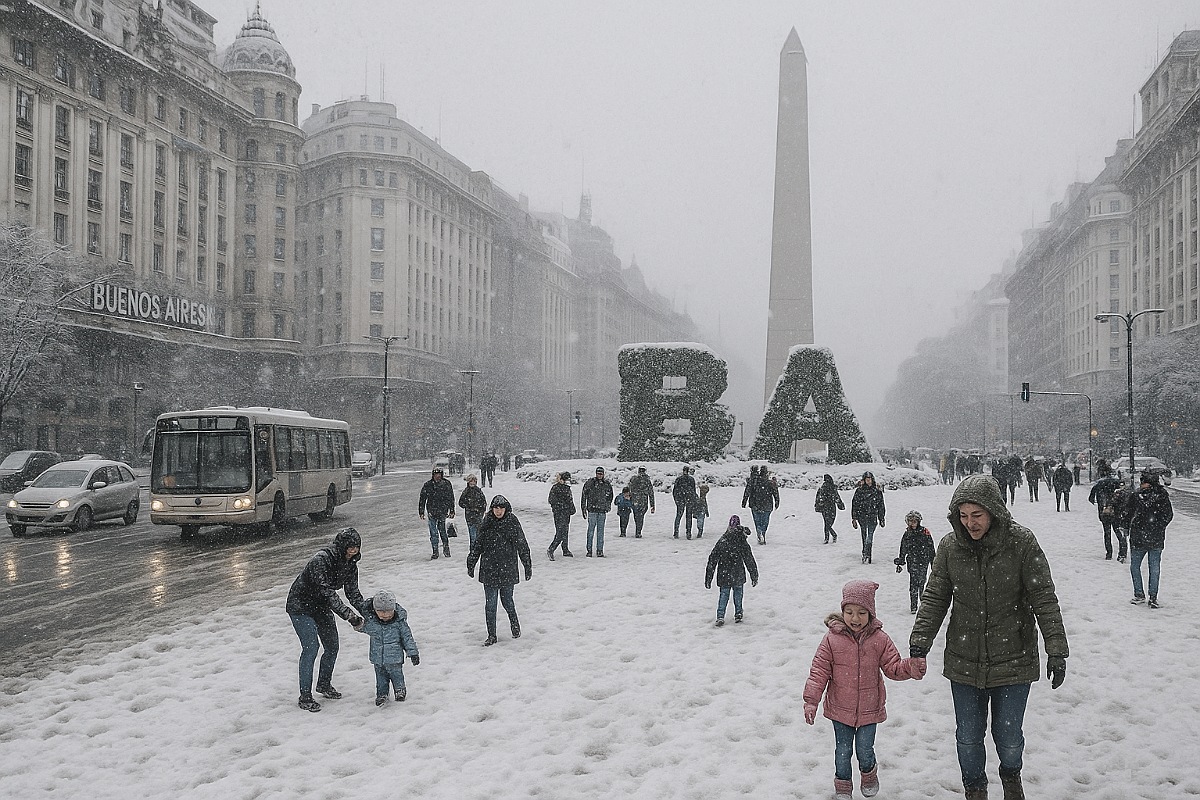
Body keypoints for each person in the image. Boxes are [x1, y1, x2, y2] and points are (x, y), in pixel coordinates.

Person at [909, 475, 1069, 800]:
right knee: (968, 736)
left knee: (1008, 738)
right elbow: (936, 596)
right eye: (963, 516)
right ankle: (975, 790)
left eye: (976, 515)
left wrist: (1056, 649)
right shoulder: (950, 547)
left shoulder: (1021, 543)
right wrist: (919, 643)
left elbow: (1044, 597)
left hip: (1014, 659)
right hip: (964, 661)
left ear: (993, 511)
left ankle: (1011, 779)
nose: (970, 523)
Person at [803, 579, 925, 800]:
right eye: (849, 612)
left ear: (870, 613)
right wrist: (811, 701)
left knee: (864, 749)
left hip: (869, 709)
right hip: (840, 708)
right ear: (842, 612)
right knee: (843, 751)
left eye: (861, 612)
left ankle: (869, 775)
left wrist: (911, 667)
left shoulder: (880, 640)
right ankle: (843, 785)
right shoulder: (832, 640)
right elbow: (818, 671)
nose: (855, 618)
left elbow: (893, 667)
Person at [285, 527, 366, 712]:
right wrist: (350, 616)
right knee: (311, 647)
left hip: (321, 606)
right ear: (342, 546)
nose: (354, 551)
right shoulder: (321, 560)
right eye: (350, 547)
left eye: (357, 547)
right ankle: (305, 696)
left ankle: (324, 685)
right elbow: (327, 593)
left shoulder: (351, 564)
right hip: (300, 606)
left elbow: (353, 594)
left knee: (332, 646)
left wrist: (368, 612)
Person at [467, 494, 533, 646]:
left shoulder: (512, 522)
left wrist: (527, 565)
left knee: (507, 601)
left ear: (505, 509)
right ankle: (492, 635)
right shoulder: (487, 522)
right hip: (489, 570)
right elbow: (478, 544)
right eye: (496, 508)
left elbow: (522, 544)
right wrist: (471, 562)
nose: (498, 511)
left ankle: (515, 625)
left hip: (507, 569)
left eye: (501, 508)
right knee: (490, 605)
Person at [353, 589, 419, 707]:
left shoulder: (399, 623)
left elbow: (407, 638)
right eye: (381, 612)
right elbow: (364, 628)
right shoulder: (373, 623)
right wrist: (357, 623)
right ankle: (382, 695)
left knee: (397, 676)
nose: (385, 615)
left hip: (394, 659)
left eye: (389, 611)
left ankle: (400, 690)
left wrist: (412, 652)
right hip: (378, 659)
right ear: (375, 611)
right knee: (381, 679)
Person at [1123, 470, 1174, 609]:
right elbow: (1168, 515)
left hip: (1138, 538)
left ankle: (1139, 594)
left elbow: (1127, 514)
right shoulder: (1162, 496)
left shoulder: (1136, 496)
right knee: (1154, 568)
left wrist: (1128, 527)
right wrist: (1159, 527)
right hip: (1156, 538)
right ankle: (1153, 597)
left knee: (1135, 567)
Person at [704, 515, 758, 626]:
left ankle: (720, 616)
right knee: (738, 594)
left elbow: (712, 559)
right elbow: (749, 559)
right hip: (738, 573)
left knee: (724, 595)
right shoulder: (742, 541)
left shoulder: (723, 540)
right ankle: (738, 613)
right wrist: (754, 575)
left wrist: (708, 578)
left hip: (724, 573)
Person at [894, 511, 936, 614]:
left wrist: (933, 562)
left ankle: (922, 600)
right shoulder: (907, 534)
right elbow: (903, 548)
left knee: (921, 581)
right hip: (912, 561)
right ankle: (913, 605)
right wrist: (901, 560)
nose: (912, 523)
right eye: (910, 521)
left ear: (918, 521)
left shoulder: (925, 532)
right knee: (913, 583)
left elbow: (931, 547)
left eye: (914, 521)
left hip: (923, 560)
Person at [418, 467, 456, 560]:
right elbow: (422, 498)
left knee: (442, 531)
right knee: (433, 533)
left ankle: (446, 548)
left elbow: (451, 497)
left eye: (439, 474)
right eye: (436, 474)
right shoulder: (428, 485)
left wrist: (452, 510)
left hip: (442, 511)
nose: (438, 476)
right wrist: (421, 511)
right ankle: (435, 551)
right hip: (432, 511)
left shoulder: (446, 484)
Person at [1088, 475, 1127, 562]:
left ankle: (1109, 553)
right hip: (1117, 513)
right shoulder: (1118, 486)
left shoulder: (1098, 485)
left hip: (1104, 513)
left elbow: (1091, 498)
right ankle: (1122, 553)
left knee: (1107, 533)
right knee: (1119, 533)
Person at [850, 472, 886, 564]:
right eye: (867, 479)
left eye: (870, 478)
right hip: (862, 517)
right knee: (864, 535)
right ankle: (865, 552)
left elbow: (881, 505)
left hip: (872, 517)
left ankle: (867, 553)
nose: (868, 480)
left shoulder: (877, 491)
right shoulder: (859, 491)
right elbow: (855, 504)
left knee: (869, 537)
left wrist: (881, 518)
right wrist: (854, 518)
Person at [580, 466, 614, 557]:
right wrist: (583, 508)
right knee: (590, 531)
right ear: (596, 474)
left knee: (600, 532)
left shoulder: (606, 484)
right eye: (598, 473)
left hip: (602, 511)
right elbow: (584, 496)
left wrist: (607, 505)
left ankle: (600, 550)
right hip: (592, 510)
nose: (600, 475)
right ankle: (589, 550)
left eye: (601, 473)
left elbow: (610, 496)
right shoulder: (590, 483)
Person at [743, 465, 780, 545]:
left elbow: (747, 491)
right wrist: (777, 502)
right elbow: (775, 492)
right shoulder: (770, 483)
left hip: (755, 504)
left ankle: (759, 531)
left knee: (757, 520)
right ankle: (763, 532)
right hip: (767, 505)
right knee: (765, 520)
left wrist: (744, 501)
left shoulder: (753, 481)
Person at [546, 471, 576, 560]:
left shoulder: (567, 488)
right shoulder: (555, 488)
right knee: (560, 533)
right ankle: (551, 549)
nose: (568, 482)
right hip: (559, 514)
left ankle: (565, 549)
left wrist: (572, 508)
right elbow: (551, 500)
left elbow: (570, 499)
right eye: (566, 480)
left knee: (565, 531)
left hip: (566, 513)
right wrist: (562, 506)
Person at [815, 474, 845, 544]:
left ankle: (827, 538)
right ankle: (832, 536)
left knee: (826, 523)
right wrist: (840, 504)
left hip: (824, 507)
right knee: (829, 523)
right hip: (831, 507)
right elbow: (837, 497)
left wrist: (818, 504)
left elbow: (819, 498)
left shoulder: (822, 488)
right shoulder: (832, 488)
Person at [457, 474, 486, 548]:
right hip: (470, 516)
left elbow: (484, 503)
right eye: (471, 482)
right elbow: (461, 503)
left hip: (478, 515)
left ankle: (478, 549)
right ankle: (473, 550)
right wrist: (469, 507)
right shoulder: (466, 492)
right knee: (473, 535)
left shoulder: (479, 491)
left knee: (479, 535)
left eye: (474, 482)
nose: (472, 483)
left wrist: (481, 510)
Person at [627, 466, 655, 537]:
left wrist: (628, 500)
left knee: (636, 516)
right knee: (641, 517)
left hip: (635, 500)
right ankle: (638, 531)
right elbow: (651, 493)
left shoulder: (633, 479)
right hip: (643, 501)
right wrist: (652, 505)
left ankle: (637, 529)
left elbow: (628, 490)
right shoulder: (647, 481)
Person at [672, 465, 699, 539]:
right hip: (689, 499)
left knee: (678, 516)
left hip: (680, 499)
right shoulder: (691, 479)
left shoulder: (679, 479)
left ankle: (676, 532)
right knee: (689, 516)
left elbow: (674, 491)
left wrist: (676, 500)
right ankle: (688, 533)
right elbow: (694, 491)